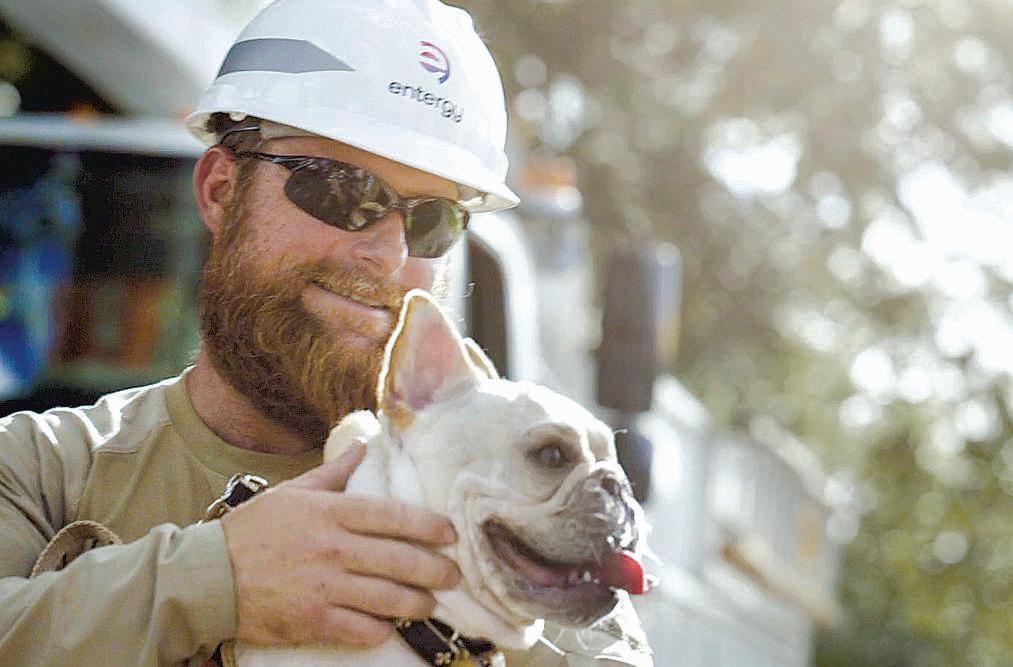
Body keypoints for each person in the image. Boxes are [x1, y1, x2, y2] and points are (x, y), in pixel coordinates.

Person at [0, 1, 649, 665]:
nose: (389, 255)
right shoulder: (39, 471)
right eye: (341, 191)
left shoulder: (524, 537)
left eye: (431, 220)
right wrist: (217, 580)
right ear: (221, 190)